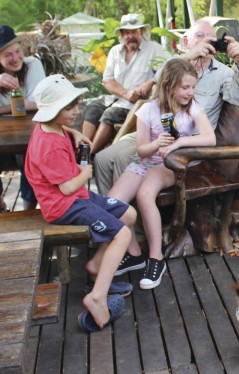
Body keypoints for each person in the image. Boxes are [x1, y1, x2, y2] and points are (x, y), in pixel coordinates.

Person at [24, 75, 140, 332]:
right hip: (63, 205)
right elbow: (66, 187)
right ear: (53, 111)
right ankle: (97, 295)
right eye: (69, 108)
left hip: (77, 197)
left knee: (128, 215)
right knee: (121, 235)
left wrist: (74, 132)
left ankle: (96, 265)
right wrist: (85, 173)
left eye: (75, 104)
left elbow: (60, 130)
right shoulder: (49, 147)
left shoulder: (50, 127)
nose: (76, 111)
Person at [94, 18, 239, 196]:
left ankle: (131, 219)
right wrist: (189, 57)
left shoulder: (223, 73)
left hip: (184, 139)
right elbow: (157, 81)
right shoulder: (176, 65)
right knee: (102, 159)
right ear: (186, 42)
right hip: (155, 130)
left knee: (124, 158)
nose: (207, 40)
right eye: (199, 36)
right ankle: (111, 214)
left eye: (211, 37)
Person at [107, 58, 216, 290]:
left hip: (171, 166)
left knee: (146, 193)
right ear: (168, 86)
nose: (190, 92)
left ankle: (155, 258)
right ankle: (134, 253)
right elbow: (141, 150)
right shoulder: (148, 110)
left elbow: (210, 138)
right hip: (147, 161)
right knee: (113, 202)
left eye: (193, 87)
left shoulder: (192, 108)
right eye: (185, 87)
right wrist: (157, 143)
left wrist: (180, 142)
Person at [81, 13, 171, 155]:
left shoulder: (154, 48)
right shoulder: (115, 51)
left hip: (138, 104)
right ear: (122, 35)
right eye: (127, 32)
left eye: (134, 31)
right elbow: (107, 80)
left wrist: (150, 82)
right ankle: (82, 153)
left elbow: (171, 66)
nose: (130, 36)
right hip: (117, 98)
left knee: (110, 114)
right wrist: (125, 93)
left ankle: (89, 156)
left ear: (141, 32)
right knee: (92, 109)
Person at [0, 25, 46, 211]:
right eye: (8, 55)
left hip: (31, 129)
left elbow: (41, 102)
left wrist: (6, 107)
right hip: (4, 135)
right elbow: (29, 103)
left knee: (31, 155)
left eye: (17, 51)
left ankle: (28, 212)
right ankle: (1, 207)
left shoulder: (32, 64)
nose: (16, 58)